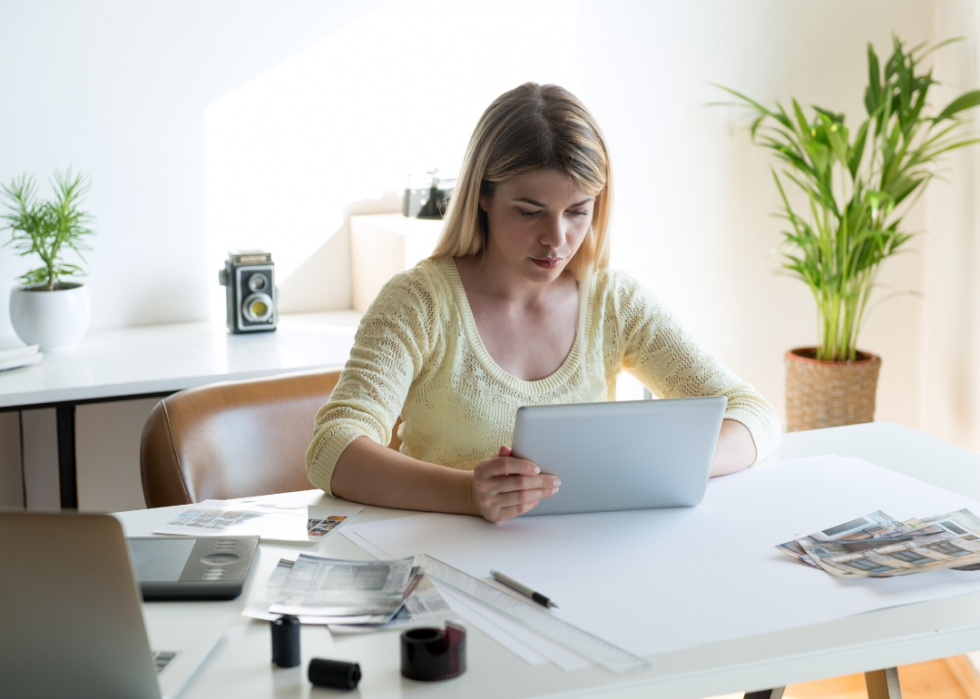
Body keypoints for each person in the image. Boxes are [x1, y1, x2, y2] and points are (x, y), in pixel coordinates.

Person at [306, 83, 780, 522]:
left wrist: (673, 466)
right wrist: (469, 494)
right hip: (443, 564)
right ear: (483, 197)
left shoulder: (615, 303)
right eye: (529, 212)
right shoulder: (418, 303)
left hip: (576, 564)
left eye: (577, 212)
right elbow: (332, 448)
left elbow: (753, 414)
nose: (556, 239)